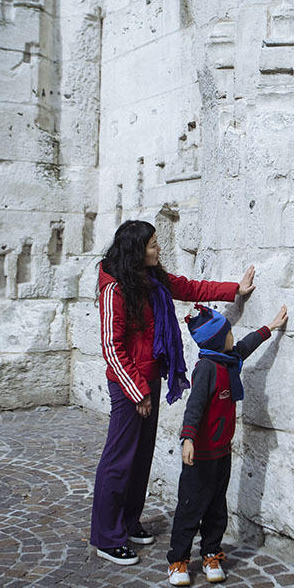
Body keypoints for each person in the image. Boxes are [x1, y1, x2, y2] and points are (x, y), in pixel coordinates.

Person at [90, 219, 256, 566]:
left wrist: (234, 290)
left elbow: (189, 287)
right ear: (137, 250)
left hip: (148, 379)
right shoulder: (114, 290)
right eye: (152, 244)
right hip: (128, 385)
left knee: (140, 458)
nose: (158, 248)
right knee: (119, 460)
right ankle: (107, 536)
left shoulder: (151, 280)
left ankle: (128, 521)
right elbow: (111, 346)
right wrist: (138, 392)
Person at [166, 301, 288, 587]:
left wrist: (269, 327)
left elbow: (245, 347)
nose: (233, 335)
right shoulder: (207, 368)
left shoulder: (228, 359)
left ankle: (211, 553)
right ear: (219, 339)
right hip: (200, 454)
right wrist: (188, 439)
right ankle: (179, 560)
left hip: (222, 451)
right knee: (190, 507)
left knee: (216, 507)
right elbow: (194, 407)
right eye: (229, 331)